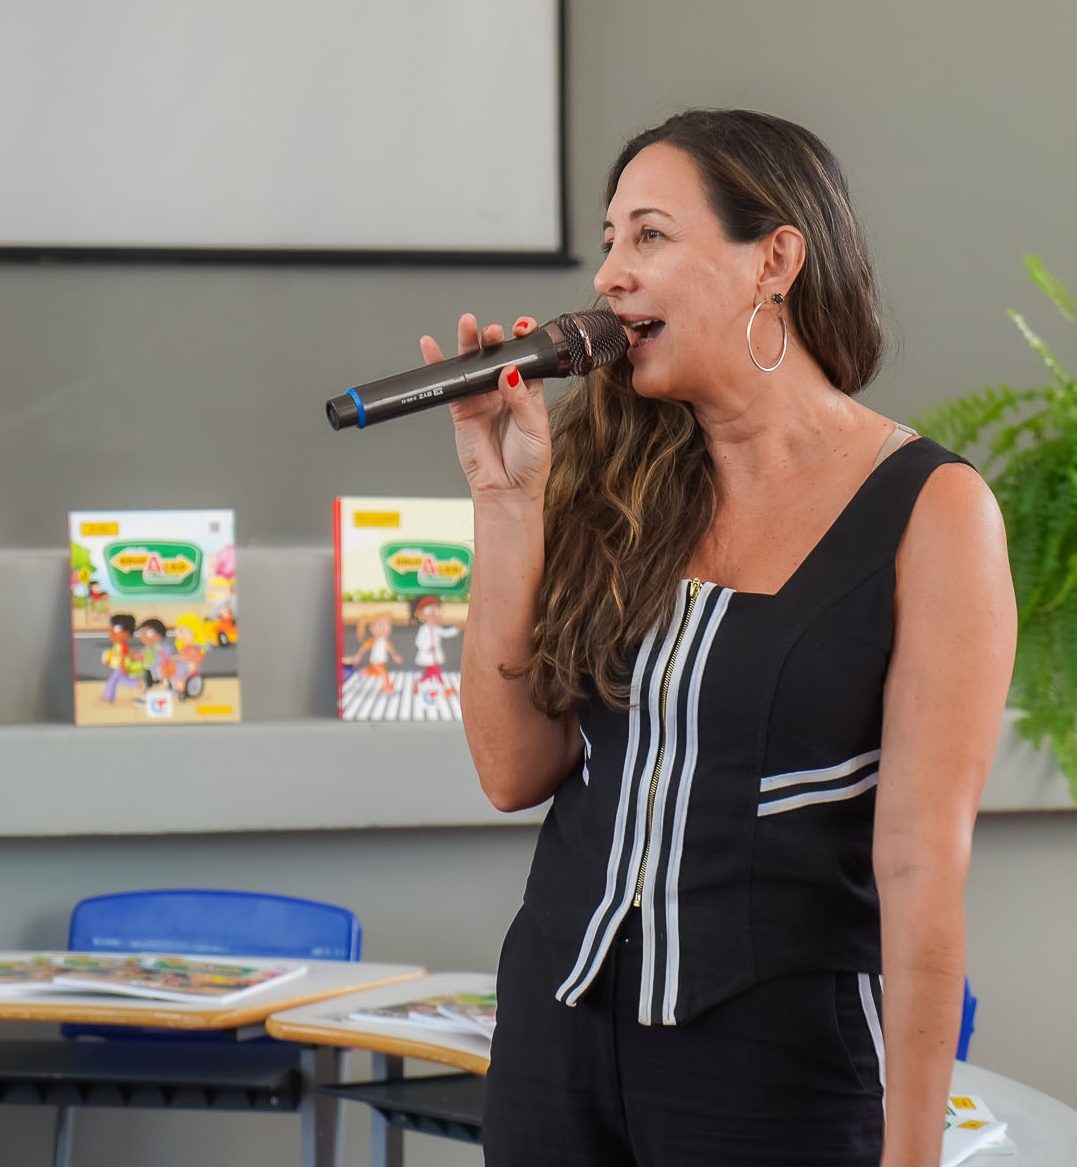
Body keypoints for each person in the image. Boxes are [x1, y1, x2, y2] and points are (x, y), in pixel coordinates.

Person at [419, 110, 1016, 1166]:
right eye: (608, 241)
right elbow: (515, 771)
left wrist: (913, 1155)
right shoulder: (618, 481)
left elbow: (922, 867)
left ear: (774, 260)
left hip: (778, 1064)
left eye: (649, 236)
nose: (610, 275)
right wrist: (507, 505)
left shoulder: (930, 511)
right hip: (556, 1037)